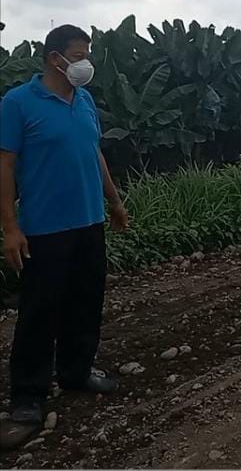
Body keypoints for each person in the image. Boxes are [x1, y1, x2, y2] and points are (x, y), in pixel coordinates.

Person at [0, 24, 128, 435]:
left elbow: (93, 153)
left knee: (86, 301)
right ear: (54, 58)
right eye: (78, 56)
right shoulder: (18, 103)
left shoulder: (84, 100)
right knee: (39, 311)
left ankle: (77, 372)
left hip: (89, 221)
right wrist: (10, 228)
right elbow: (4, 165)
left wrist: (114, 201)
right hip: (44, 227)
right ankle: (28, 396)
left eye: (87, 55)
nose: (85, 63)